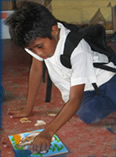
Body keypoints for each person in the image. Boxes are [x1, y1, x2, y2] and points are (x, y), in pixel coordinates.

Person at [5, 1, 116, 154]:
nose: (38, 54)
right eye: (32, 49)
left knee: (99, 99)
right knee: (89, 114)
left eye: (39, 47)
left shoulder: (77, 48)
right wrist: (28, 109)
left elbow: (75, 99)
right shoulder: (36, 41)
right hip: (84, 87)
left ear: (54, 31)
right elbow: (36, 70)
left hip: (106, 78)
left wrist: (48, 132)